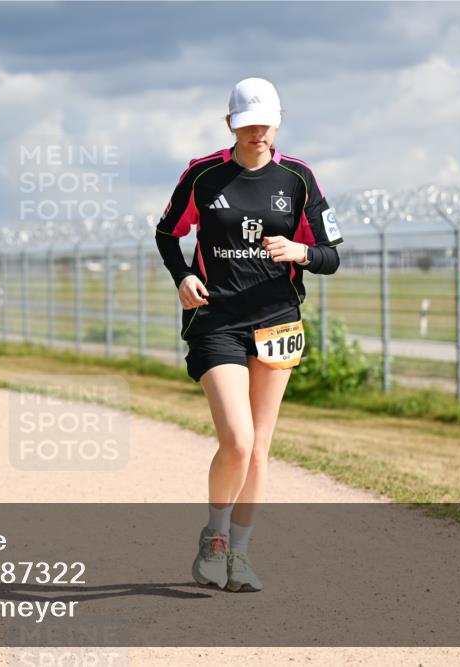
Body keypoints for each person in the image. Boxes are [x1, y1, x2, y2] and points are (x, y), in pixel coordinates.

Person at [154, 77, 343, 592]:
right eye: (246, 124)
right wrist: (182, 276)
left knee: (259, 448)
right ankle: (214, 538)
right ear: (230, 124)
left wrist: (302, 252)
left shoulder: (299, 178)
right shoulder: (203, 174)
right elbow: (167, 233)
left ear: (278, 121)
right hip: (216, 320)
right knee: (236, 441)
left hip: (278, 320)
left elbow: (331, 256)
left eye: (265, 123)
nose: (257, 133)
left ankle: (239, 554)